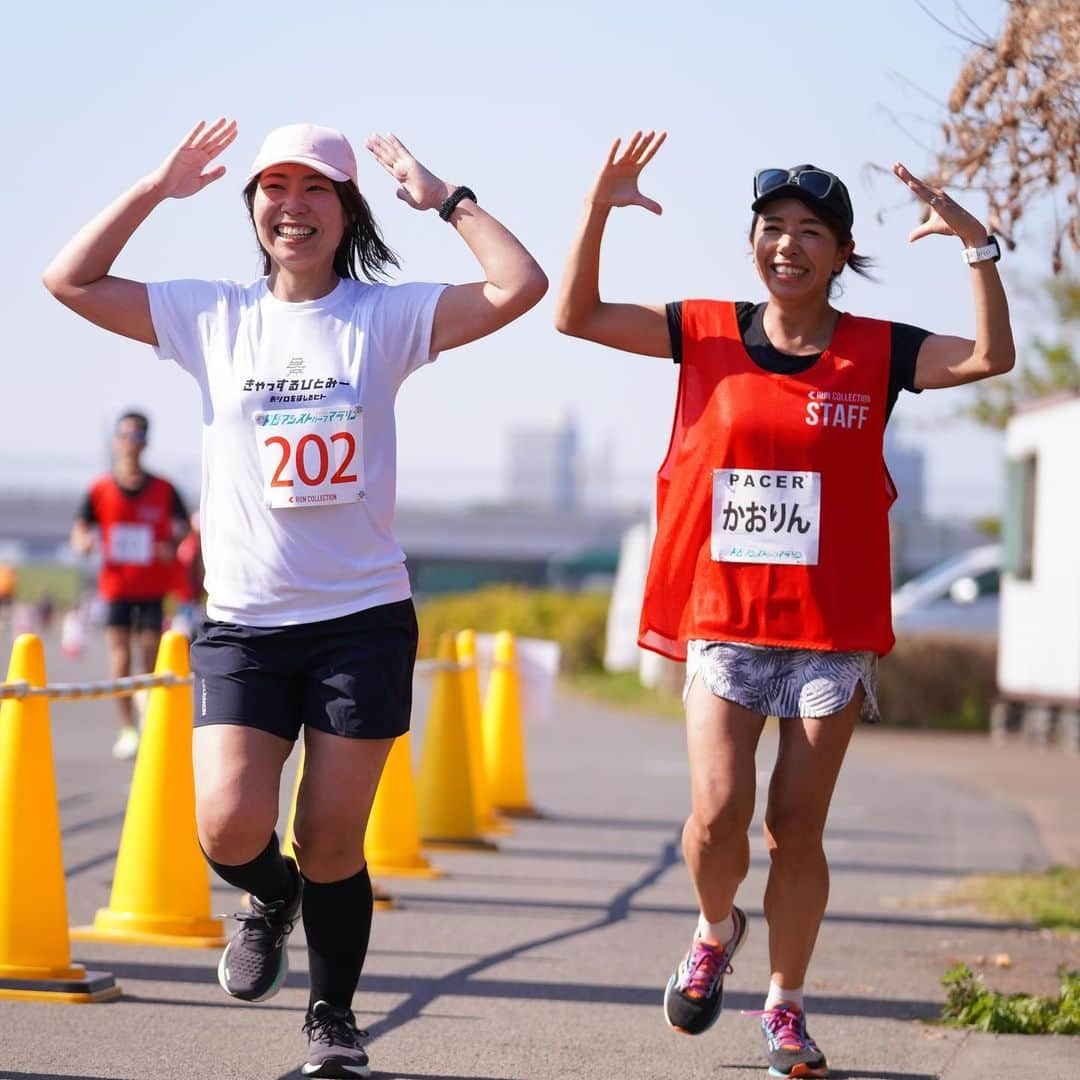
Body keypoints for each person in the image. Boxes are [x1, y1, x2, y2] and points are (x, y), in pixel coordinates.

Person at [44, 117, 546, 1078]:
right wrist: (156, 184)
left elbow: (519, 288)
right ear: (254, 210)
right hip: (243, 622)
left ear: (346, 209)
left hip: (359, 620)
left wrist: (447, 198)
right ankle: (266, 898)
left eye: (316, 190)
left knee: (329, 838)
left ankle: (332, 1017)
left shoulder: (384, 318)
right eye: (275, 189)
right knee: (227, 826)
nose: (293, 206)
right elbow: (68, 280)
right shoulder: (212, 315)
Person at [555, 132, 1014, 1078]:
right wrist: (599, 205)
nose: (789, 245)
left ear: (842, 254)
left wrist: (976, 245)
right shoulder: (705, 330)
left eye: (812, 232)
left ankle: (785, 1007)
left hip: (832, 634)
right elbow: (578, 316)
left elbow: (991, 360)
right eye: (773, 228)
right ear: (753, 241)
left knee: (794, 827)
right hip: (725, 617)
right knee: (717, 816)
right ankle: (716, 926)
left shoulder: (878, 352)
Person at [70, 410, 190, 759]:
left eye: (136, 436)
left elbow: (183, 527)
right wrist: (83, 542)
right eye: (123, 434)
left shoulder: (165, 489)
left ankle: (148, 716)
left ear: (145, 443)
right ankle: (127, 727)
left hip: (153, 586)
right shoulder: (100, 489)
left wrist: (172, 544)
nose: (129, 442)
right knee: (119, 655)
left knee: (150, 653)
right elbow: (80, 528)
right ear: (115, 440)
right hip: (116, 586)